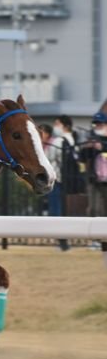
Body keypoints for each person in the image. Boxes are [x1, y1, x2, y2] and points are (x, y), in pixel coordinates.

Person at [80, 111, 107, 265]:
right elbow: (82, 156)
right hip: (94, 178)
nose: (97, 126)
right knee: (94, 209)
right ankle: (96, 239)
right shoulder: (90, 138)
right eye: (95, 124)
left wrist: (102, 146)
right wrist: (90, 147)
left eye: (100, 124)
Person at [39, 122, 70, 251]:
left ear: (48, 134)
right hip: (46, 181)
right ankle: (57, 238)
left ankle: (61, 239)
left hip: (55, 180)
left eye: (42, 132)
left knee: (55, 209)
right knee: (51, 208)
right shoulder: (42, 145)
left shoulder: (54, 144)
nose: (40, 135)